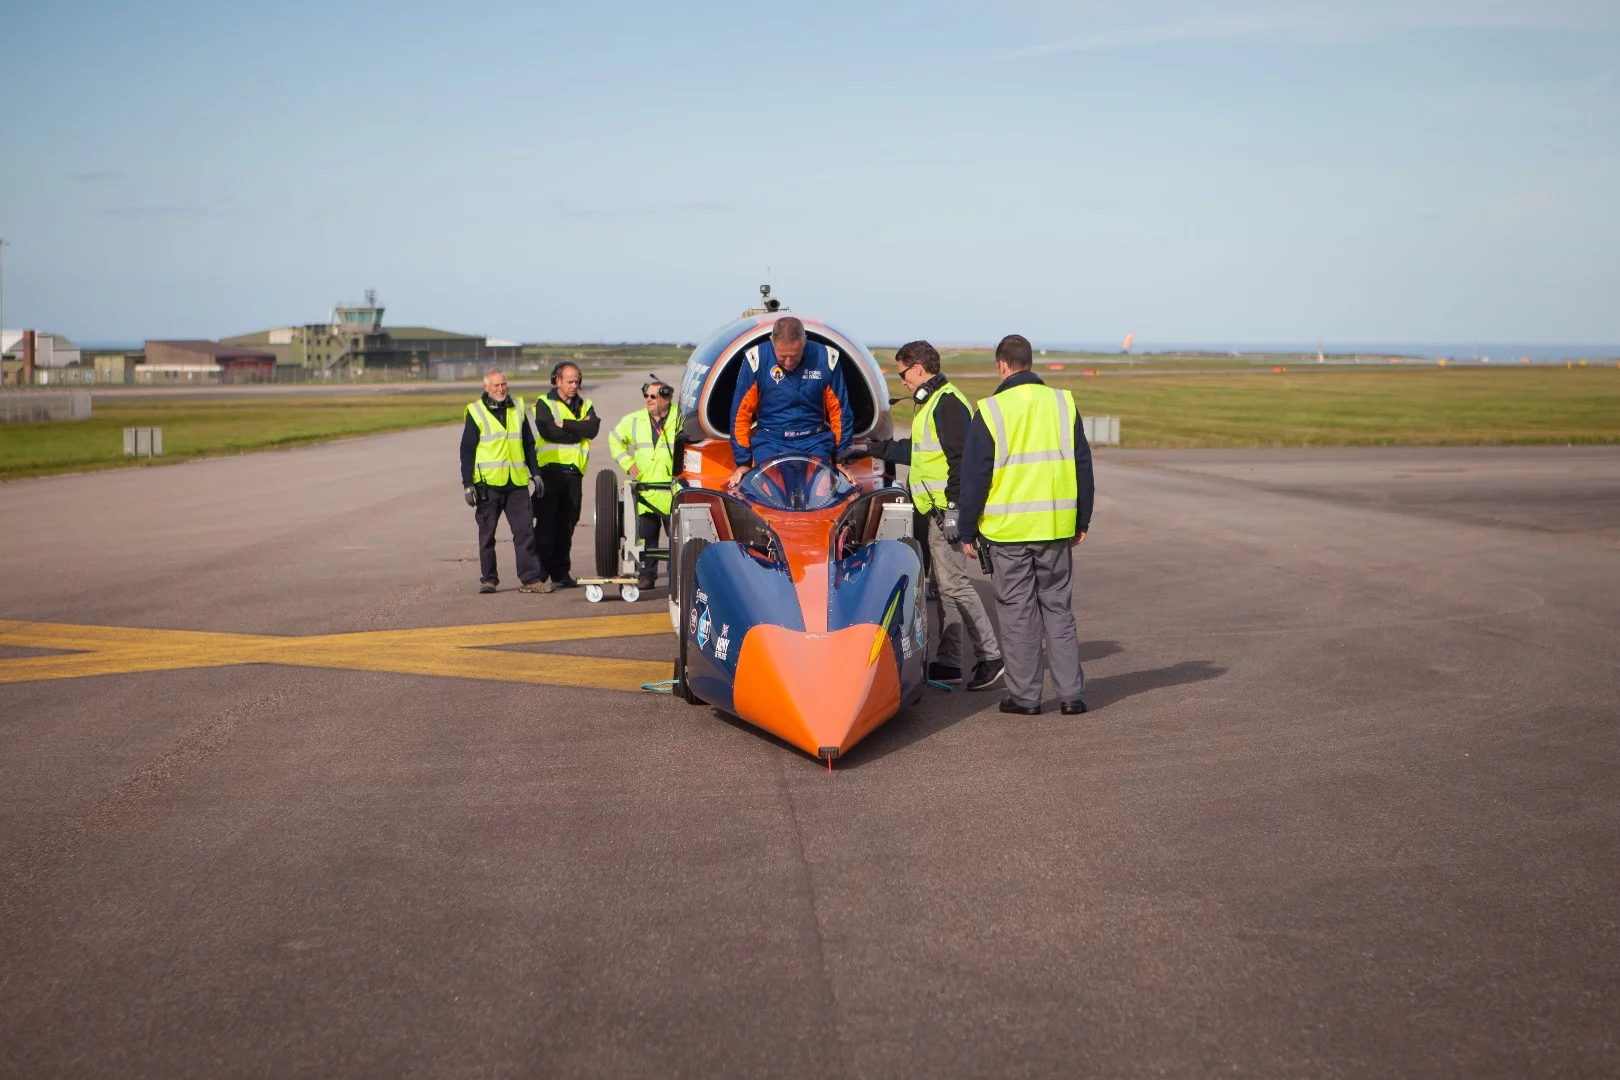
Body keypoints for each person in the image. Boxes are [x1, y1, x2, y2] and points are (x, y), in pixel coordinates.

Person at [957, 334, 1095, 716]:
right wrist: (1082, 518)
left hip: (1008, 533)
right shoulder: (1064, 403)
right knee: (1058, 608)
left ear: (1002, 365)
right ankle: (1072, 695)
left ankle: (1026, 697)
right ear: (1030, 363)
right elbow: (1083, 465)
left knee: (1018, 613)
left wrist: (967, 530)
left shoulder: (991, 410)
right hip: (1055, 527)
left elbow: (974, 478)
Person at [863, 340, 1004, 692]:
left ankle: (991, 657)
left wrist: (956, 510)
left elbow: (962, 462)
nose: (902, 382)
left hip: (945, 512)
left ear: (919, 369)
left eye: (902, 374)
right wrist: (873, 449)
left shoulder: (949, 404)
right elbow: (923, 452)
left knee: (956, 585)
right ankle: (950, 662)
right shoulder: (931, 404)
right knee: (942, 588)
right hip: (932, 510)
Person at [726, 316, 853, 489]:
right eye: (782, 356)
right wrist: (743, 462)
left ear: (804, 342)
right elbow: (741, 414)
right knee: (766, 492)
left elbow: (840, 412)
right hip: (770, 441)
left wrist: (840, 459)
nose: (788, 362)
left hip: (814, 441)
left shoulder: (826, 359)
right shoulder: (756, 360)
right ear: (772, 342)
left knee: (822, 491)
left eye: (794, 356)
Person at [459, 368, 547, 594]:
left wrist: (535, 472)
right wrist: (468, 484)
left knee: (525, 532)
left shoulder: (517, 407)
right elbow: (467, 451)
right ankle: (489, 579)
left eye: (503, 385)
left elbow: (528, 443)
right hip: (488, 485)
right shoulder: (475, 412)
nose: (500, 389)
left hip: (516, 483)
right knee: (487, 535)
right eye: (496, 385)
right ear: (486, 388)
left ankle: (530, 579)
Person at [608, 376, 683, 590]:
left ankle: (675, 577)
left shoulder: (681, 417)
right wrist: (627, 462)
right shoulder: (634, 420)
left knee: (676, 539)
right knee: (646, 539)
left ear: (666, 398)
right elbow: (614, 438)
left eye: (653, 396)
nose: (648, 400)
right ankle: (646, 576)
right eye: (646, 396)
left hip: (673, 492)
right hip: (646, 491)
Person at [532, 361, 600, 589]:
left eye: (577, 381)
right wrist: (577, 432)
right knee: (545, 524)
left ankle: (561, 572)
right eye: (570, 381)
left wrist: (566, 424)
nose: (574, 385)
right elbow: (547, 431)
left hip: (574, 475)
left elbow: (592, 430)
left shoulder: (585, 404)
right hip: (550, 472)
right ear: (557, 380)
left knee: (568, 524)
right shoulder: (545, 403)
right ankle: (541, 572)